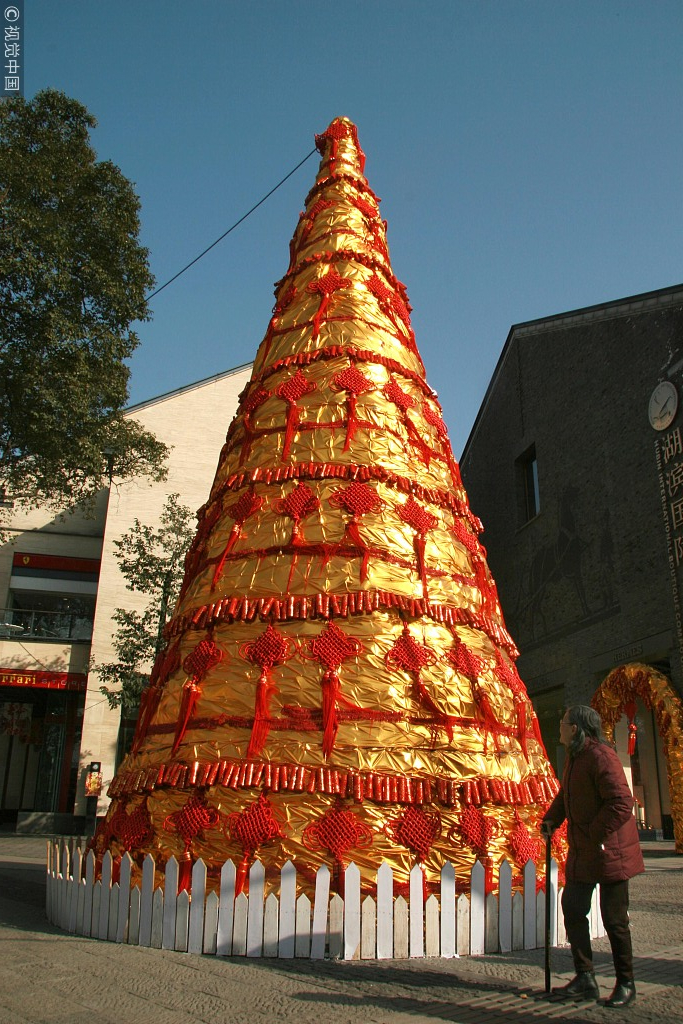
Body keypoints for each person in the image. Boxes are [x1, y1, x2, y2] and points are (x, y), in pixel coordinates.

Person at [541, 705, 644, 1008]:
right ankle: (585, 977)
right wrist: (552, 819)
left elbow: (622, 802)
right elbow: (566, 795)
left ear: (574, 728)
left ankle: (626, 983)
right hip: (585, 851)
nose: (559, 727)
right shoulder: (576, 756)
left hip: (609, 852)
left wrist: (593, 834)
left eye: (562, 723)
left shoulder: (601, 756)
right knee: (572, 908)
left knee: (614, 920)